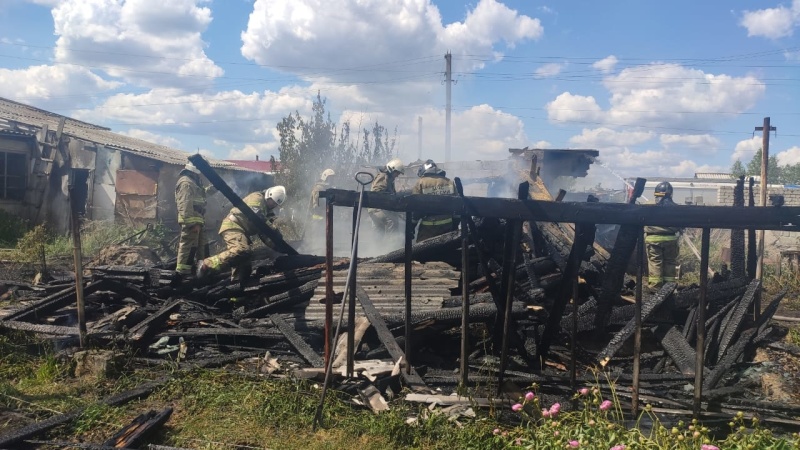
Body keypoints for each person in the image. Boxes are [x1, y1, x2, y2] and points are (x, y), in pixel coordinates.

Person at [197, 186, 287, 282]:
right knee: (241, 250)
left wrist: (276, 245)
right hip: (233, 225)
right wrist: (273, 229)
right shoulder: (257, 197)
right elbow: (256, 215)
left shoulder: (267, 211)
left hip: (242, 231)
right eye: (272, 201)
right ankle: (207, 264)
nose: (273, 205)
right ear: (269, 195)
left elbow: (264, 233)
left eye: (275, 204)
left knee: (244, 266)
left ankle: (236, 292)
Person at [174, 162, 213, 276]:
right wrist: (192, 224)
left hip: (198, 221)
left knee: (202, 248)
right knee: (189, 248)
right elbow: (184, 205)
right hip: (192, 222)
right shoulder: (186, 183)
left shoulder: (193, 182)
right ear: (194, 171)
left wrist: (215, 188)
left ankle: (202, 271)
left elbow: (202, 194)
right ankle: (182, 274)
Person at [644, 181, 680, 289]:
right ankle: (668, 288)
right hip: (671, 239)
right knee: (670, 262)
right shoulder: (676, 208)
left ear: (656, 194)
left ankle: (655, 287)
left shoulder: (649, 207)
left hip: (653, 239)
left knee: (655, 263)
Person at [411, 159, 458, 242]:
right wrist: (455, 225)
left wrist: (412, 227)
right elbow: (457, 206)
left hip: (428, 228)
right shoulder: (449, 182)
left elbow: (416, 208)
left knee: (421, 251)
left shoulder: (421, 182)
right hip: (447, 225)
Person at [368, 158, 404, 233]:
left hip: (378, 209)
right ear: (392, 169)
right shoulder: (383, 176)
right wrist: (391, 197)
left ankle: (378, 244)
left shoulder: (389, 178)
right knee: (393, 222)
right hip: (377, 209)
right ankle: (392, 243)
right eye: (397, 173)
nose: (397, 175)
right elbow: (377, 192)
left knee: (379, 231)